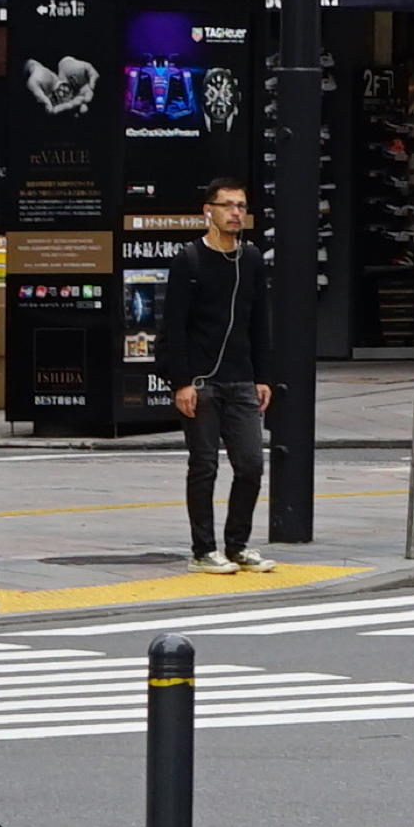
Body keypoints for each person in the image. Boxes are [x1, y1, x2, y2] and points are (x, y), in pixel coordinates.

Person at [171, 182, 273, 572]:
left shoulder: (250, 259)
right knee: (204, 464)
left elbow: (259, 323)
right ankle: (204, 548)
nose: (235, 212)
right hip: (201, 381)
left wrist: (263, 376)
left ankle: (238, 544)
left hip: (241, 377)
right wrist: (181, 380)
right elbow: (175, 326)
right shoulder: (190, 260)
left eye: (241, 206)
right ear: (207, 210)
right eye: (227, 205)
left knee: (250, 464)